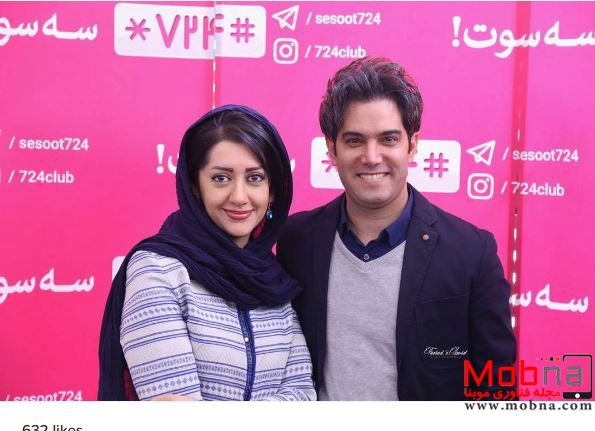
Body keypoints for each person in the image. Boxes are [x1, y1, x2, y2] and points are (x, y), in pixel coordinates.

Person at [277, 57, 516, 401]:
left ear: (412, 145)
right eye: (354, 140)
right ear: (332, 149)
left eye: (388, 139)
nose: (372, 157)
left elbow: (496, 390)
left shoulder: (470, 253)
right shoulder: (296, 241)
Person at [99, 105, 315, 401]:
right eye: (221, 178)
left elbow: (303, 394)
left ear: (272, 191)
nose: (239, 197)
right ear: (195, 186)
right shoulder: (157, 272)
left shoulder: (273, 279)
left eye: (255, 178)